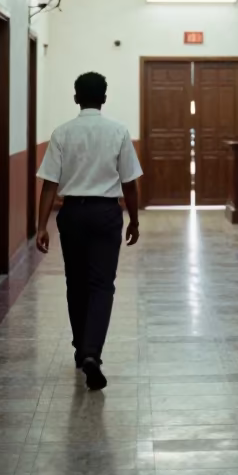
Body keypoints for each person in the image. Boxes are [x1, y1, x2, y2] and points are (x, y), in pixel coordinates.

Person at [35, 71, 141, 390]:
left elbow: (50, 184)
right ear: (104, 98)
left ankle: (82, 348)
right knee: (102, 285)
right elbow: (130, 183)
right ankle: (93, 351)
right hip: (107, 213)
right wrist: (134, 220)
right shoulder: (119, 132)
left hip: (73, 214)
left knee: (75, 282)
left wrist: (41, 226)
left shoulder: (62, 133)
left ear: (76, 97)